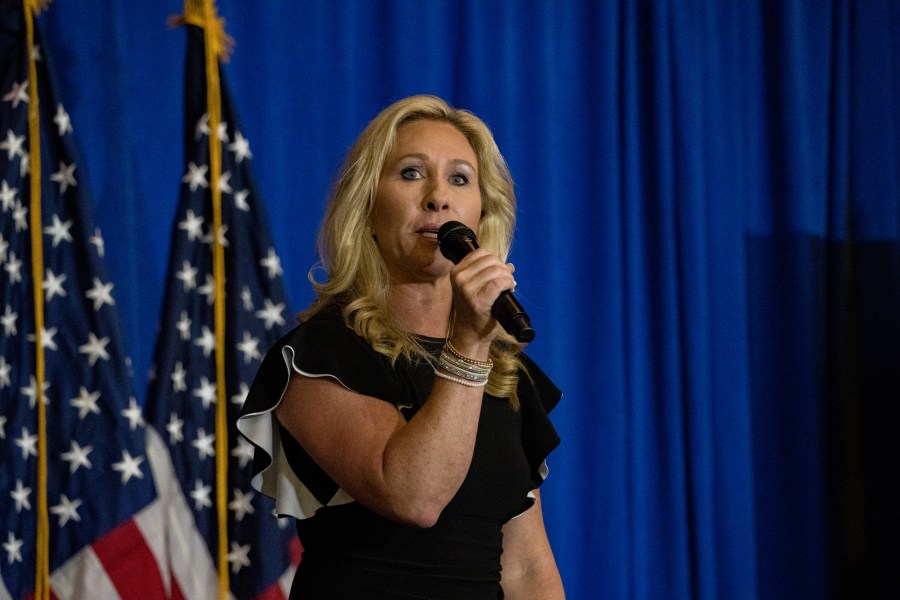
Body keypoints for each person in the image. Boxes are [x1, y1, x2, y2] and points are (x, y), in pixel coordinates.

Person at [237, 94, 564, 599]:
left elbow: (526, 567)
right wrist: (468, 346)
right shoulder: (318, 357)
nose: (439, 197)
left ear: (482, 213)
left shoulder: (505, 373)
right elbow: (415, 497)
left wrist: (475, 346)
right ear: (367, 208)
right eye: (411, 173)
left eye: (459, 178)